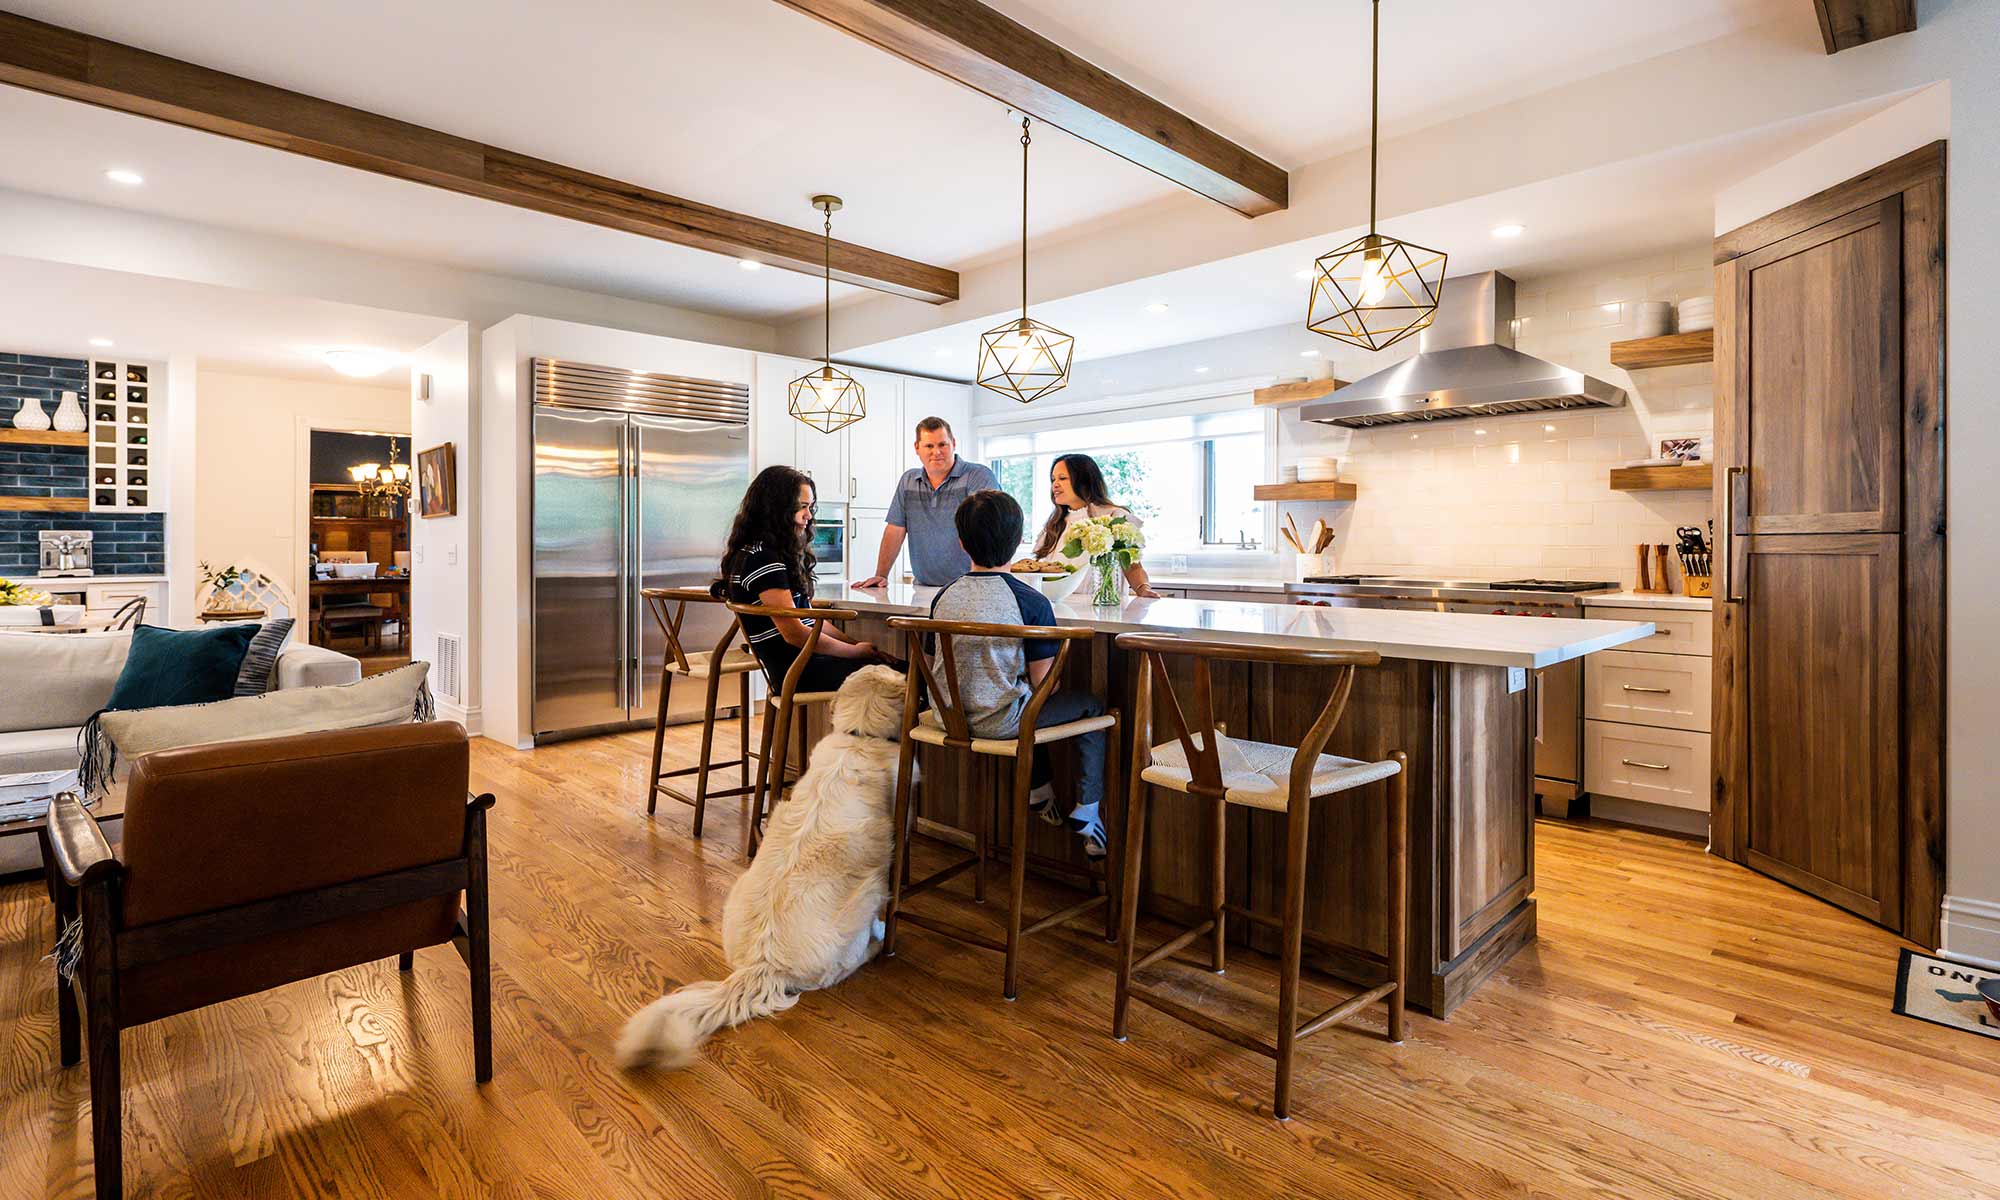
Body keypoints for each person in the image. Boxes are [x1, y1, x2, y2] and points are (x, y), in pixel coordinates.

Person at [925, 490, 1108, 857]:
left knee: (1020, 700)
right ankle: (1088, 808)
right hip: (1004, 724)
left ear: (962, 543)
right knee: (1088, 705)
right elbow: (1046, 687)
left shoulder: (944, 596)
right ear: (1016, 543)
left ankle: (1040, 790)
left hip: (947, 718)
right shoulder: (1032, 602)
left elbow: (935, 667)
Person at [717, 465, 888, 692]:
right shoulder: (764, 560)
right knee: (906, 677)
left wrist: (855, 644)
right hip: (799, 671)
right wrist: (855, 652)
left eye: (810, 507)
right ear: (776, 509)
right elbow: (795, 633)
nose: (809, 515)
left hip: (800, 666)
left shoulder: (759, 553)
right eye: (802, 507)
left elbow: (810, 621)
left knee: (897, 669)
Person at [855, 416, 999, 588]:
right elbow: (895, 529)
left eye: (942, 444)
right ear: (917, 448)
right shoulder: (908, 481)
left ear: (953, 443)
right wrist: (880, 575)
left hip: (972, 586)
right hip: (923, 588)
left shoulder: (977, 476)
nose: (936, 452)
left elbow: (989, 529)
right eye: (929, 446)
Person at [1024, 453, 1162, 599]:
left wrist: (1142, 589)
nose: (1055, 485)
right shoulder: (1055, 524)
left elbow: (1133, 566)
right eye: (1053, 479)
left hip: (1101, 610)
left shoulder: (1115, 517)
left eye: (1062, 478)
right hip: (1059, 608)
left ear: (1084, 481)